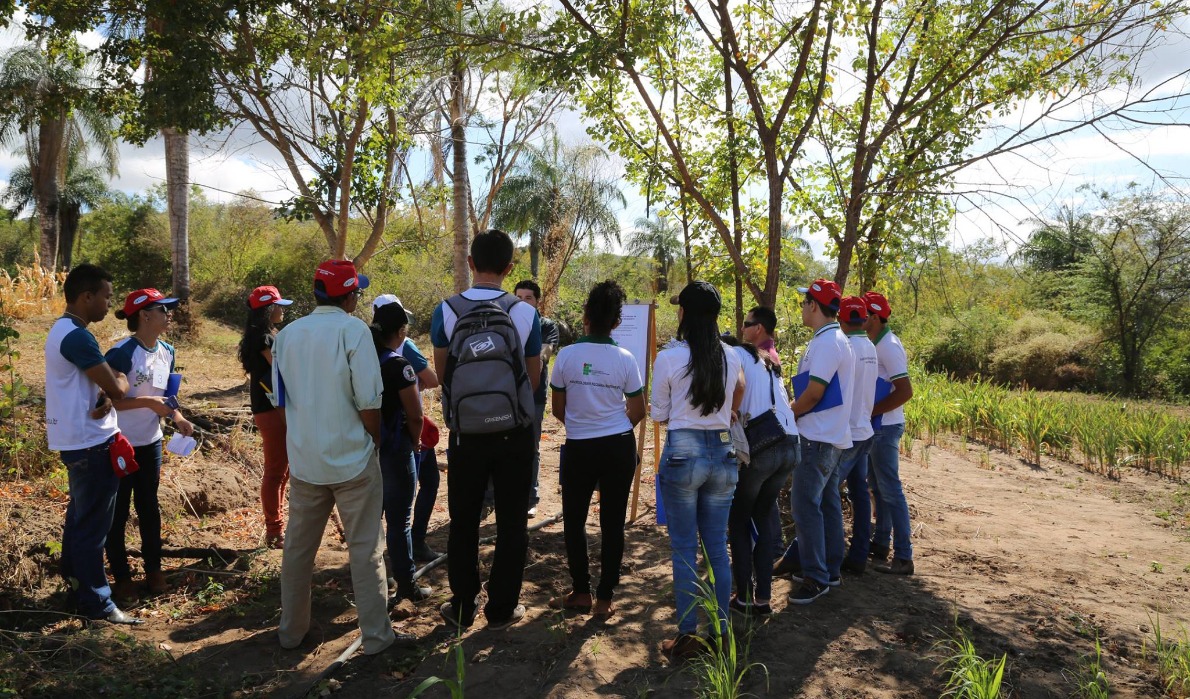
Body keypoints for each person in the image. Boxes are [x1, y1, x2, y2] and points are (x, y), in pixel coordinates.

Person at [272, 259, 407, 655]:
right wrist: (373, 441)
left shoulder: (287, 335)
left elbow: (280, 401)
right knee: (365, 550)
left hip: (306, 461)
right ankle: (377, 637)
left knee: (298, 549)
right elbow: (369, 400)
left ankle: (291, 632)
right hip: (352, 459)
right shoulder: (354, 331)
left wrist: (302, 436)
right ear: (350, 297)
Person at [432, 229, 542, 631]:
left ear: (470, 263)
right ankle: (501, 609)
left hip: (466, 434)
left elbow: (443, 375)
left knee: (463, 521)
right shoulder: (526, 313)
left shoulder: (446, 310)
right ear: (509, 268)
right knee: (512, 521)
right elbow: (532, 379)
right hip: (514, 433)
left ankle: (463, 606)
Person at [652, 281, 744, 659]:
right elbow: (737, 398)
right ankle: (721, 634)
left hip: (683, 454)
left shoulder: (669, 357)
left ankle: (688, 636)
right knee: (717, 549)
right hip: (723, 453)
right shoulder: (732, 356)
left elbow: (659, 413)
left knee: (685, 549)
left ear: (684, 313)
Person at [45, 264, 138, 624]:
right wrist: (120, 380)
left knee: (80, 521)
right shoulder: (77, 337)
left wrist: (110, 388)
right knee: (93, 528)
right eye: (106, 297)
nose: (108, 304)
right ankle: (97, 603)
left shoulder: (63, 331)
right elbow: (117, 387)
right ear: (86, 297)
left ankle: (76, 590)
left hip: (78, 440)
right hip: (91, 444)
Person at [548, 280, 645, 620]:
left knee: (574, 521)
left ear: (585, 315)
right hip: (618, 447)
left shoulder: (566, 355)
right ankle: (605, 599)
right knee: (613, 523)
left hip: (580, 447)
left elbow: (557, 409)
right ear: (616, 322)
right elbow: (638, 409)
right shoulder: (626, 358)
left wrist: (584, 425)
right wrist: (613, 428)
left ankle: (580, 592)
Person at [105, 288, 195, 604]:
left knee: (149, 507)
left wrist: (178, 417)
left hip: (151, 442)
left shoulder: (167, 350)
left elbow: (167, 397)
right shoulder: (121, 353)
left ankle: (153, 570)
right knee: (117, 512)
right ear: (144, 315)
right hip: (119, 443)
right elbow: (110, 400)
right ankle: (122, 577)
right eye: (162, 310)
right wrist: (147, 403)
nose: (169, 315)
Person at [781, 279, 854, 605]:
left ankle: (816, 577)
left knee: (804, 506)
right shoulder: (832, 338)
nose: (801, 308)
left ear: (814, 305)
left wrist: (789, 413)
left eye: (804, 302)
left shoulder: (828, 342)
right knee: (826, 504)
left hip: (818, 438)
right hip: (829, 435)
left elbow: (814, 393)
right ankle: (830, 570)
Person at [726, 326, 798, 616]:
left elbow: (735, 392)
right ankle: (763, 598)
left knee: (739, 520)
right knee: (763, 516)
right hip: (790, 442)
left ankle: (744, 596)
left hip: (763, 443)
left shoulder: (733, 356)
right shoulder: (764, 360)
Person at [374, 294, 442, 563]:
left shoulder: (363, 349)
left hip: (374, 434)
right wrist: (415, 440)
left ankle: (373, 559)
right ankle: (411, 556)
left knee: (380, 498)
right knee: (409, 502)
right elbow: (432, 381)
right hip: (402, 435)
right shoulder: (404, 353)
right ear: (401, 329)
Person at [370, 298, 430, 602]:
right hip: (396, 449)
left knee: (371, 519)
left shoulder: (361, 361)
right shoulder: (398, 365)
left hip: (367, 449)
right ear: (401, 332)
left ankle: (374, 581)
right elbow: (415, 415)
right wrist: (415, 440)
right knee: (399, 521)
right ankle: (407, 585)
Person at [863, 291, 916, 575]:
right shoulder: (876, 343)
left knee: (891, 490)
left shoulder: (889, 346)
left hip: (885, 426)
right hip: (878, 425)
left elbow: (905, 391)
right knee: (878, 487)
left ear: (874, 317)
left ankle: (904, 556)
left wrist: (872, 411)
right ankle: (881, 543)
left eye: (864, 314)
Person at [826, 296, 878, 578]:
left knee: (826, 493)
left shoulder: (846, 347)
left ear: (841, 320)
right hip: (865, 428)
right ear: (863, 319)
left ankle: (826, 558)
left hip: (849, 433)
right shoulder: (869, 346)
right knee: (859, 492)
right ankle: (858, 554)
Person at [239, 285, 293, 549]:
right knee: (275, 472)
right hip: (271, 409)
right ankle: (274, 530)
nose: (282, 310)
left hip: (273, 407)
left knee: (283, 471)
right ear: (268, 309)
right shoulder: (263, 339)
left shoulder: (266, 335)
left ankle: (277, 526)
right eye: (278, 305)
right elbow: (284, 368)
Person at [513, 280, 559, 518]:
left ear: (537, 301)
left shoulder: (546, 325)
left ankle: (531, 498)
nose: (522, 302)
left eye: (528, 298)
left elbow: (546, 352)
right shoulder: (506, 322)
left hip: (534, 396)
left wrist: (536, 358)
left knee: (531, 447)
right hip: (506, 395)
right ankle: (492, 498)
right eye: (518, 298)